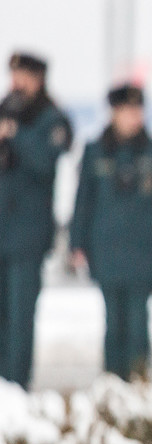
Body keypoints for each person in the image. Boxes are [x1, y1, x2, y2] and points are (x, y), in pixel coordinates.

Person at [70, 83, 152, 381]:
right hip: (106, 247)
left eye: (137, 110)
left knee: (137, 320)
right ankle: (112, 379)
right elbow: (83, 201)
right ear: (114, 113)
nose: (133, 117)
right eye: (127, 111)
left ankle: (138, 378)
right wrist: (77, 242)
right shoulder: (96, 151)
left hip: (143, 248)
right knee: (112, 321)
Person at [0, 51, 73, 389]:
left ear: (39, 78)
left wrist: (15, 136)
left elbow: (47, 162)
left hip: (27, 235)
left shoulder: (50, 117)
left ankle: (16, 384)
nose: (17, 83)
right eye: (13, 75)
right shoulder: (5, 110)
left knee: (19, 317)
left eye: (23, 76)